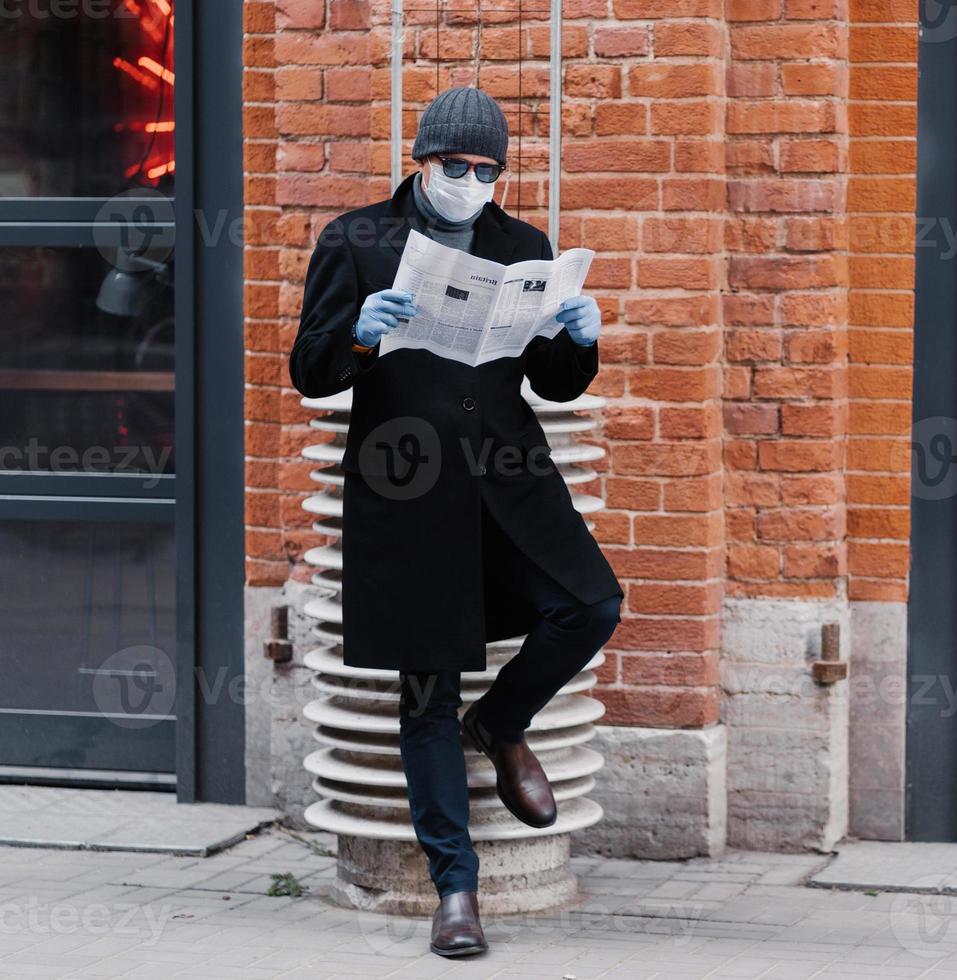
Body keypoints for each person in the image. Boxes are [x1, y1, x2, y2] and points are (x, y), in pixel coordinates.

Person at [289, 87, 624, 959]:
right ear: (422, 160)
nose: (471, 182)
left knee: (590, 606)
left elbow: (556, 384)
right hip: (407, 483)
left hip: (512, 477)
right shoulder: (358, 239)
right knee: (427, 688)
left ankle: (502, 723)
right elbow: (311, 370)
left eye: (486, 170)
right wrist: (358, 335)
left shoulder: (525, 248)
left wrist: (580, 336)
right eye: (456, 167)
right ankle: (457, 890)